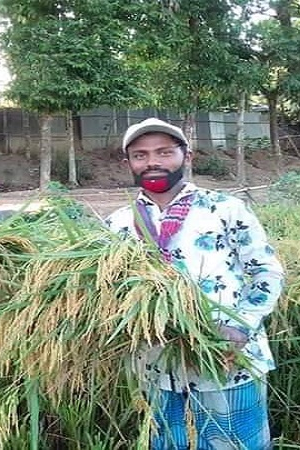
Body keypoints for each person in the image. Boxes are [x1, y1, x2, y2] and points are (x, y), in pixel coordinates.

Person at [104, 118, 285, 449]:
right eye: (140, 155)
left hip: (228, 359)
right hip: (155, 366)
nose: (152, 162)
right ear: (127, 163)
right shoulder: (116, 225)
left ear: (186, 157)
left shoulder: (225, 209)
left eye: (164, 152)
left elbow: (267, 272)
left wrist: (239, 327)